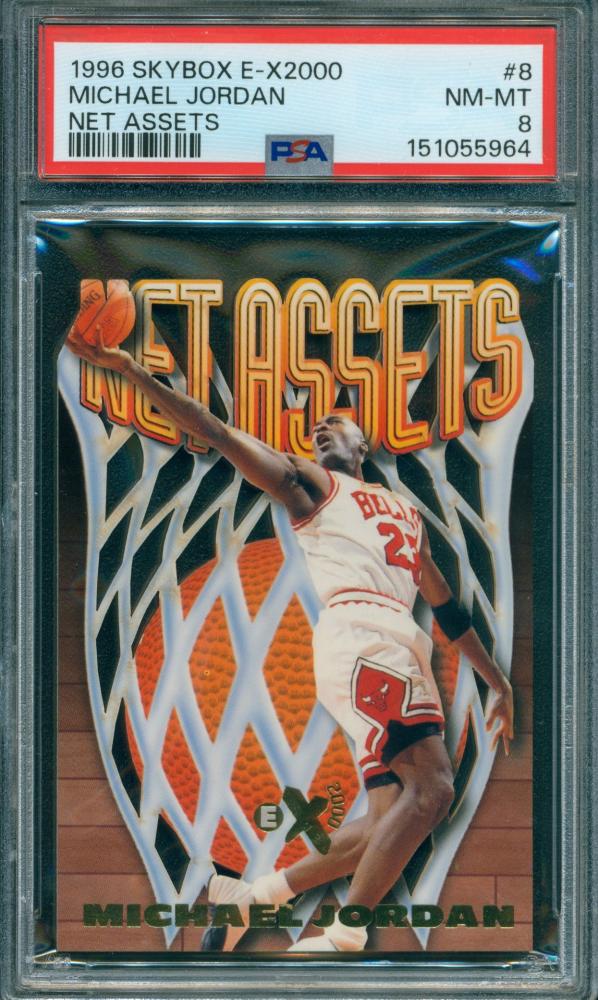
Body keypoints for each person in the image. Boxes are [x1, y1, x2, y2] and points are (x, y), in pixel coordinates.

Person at [66, 327, 514, 952]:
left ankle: (255, 897)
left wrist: (498, 684)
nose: (321, 430)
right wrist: (132, 371)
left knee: (389, 817)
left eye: (335, 423)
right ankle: (346, 934)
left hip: (393, 646)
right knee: (434, 789)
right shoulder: (311, 485)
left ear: (365, 444)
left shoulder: (403, 513)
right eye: (315, 430)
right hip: (363, 640)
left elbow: (448, 609)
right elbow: (217, 432)